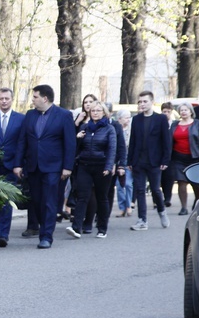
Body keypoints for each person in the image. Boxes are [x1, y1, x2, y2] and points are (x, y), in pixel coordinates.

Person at [14, 84, 76, 249]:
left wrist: (67, 167)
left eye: (35, 97)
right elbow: (23, 140)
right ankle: (44, 227)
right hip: (33, 166)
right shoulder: (30, 115)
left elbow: (70, 143)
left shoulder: (63, 115)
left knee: (49, 201)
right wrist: (18, 164)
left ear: (45, 98)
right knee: (37, 201)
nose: (32, 100)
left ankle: (46, 236)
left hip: (53, 167)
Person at [66, 102, 117, 239]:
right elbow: (76, 149)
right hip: (85, 165)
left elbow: (112, 149)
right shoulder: (84, 127)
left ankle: (102, 228)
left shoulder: (109, 129)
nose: (95, 113)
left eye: (98, 110)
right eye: (93, 110)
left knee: (102, 197)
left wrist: (108, 166)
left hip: (101, 167)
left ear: (104, 113)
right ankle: (76, 227)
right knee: (82, 197)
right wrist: (78, 139)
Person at [0, 87, 25, 247]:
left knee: (7, 199)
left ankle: (3, 234)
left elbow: (22, 143)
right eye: (1, 98)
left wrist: (19, 164)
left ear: (11, 99)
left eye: (7, 98)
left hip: (12, 166)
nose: (4, 101)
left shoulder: (20, 119)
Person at [127, 91, 172, 231]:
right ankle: (142, 220)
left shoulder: (161, 119)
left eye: (145, 101)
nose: (142, 104)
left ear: (152, 102)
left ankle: (162, 211)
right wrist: (130, 161)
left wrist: (165, 159)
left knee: (155, 190)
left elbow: (166, 141)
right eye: (140, 102)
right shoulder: (136, 119)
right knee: (139, 190)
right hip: (139, 161)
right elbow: (132, 141)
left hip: (155, 161)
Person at [170, 102, 199, 215]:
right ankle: (183, 207)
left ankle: (197, 201)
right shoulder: (174, 125)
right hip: (178, 158)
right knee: (181, 182)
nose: (183, 112)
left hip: (194, 158)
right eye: (181, 110)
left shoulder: (198, 124)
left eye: (185, 110)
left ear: (191, 111)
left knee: (196, 184)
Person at [115, 110, 134, 218]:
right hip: (117, 161)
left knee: (128, 184)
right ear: (119, 119)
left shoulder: (131, 130)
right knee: (119, 186)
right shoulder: (116, 130)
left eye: (129, 117)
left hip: (128, 160)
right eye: (126, 117)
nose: (128, 119)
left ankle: (129, 206)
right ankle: (122, 208)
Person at [160, 102, 175, 208]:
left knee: (169, 177)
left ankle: (168, 198)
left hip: (173, 155)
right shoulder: (159, 123)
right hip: (160, 155)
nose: (166, 113)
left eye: (168, 112)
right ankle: (159, 198)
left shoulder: (174, 124)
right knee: (160, 178)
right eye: (164, 111)